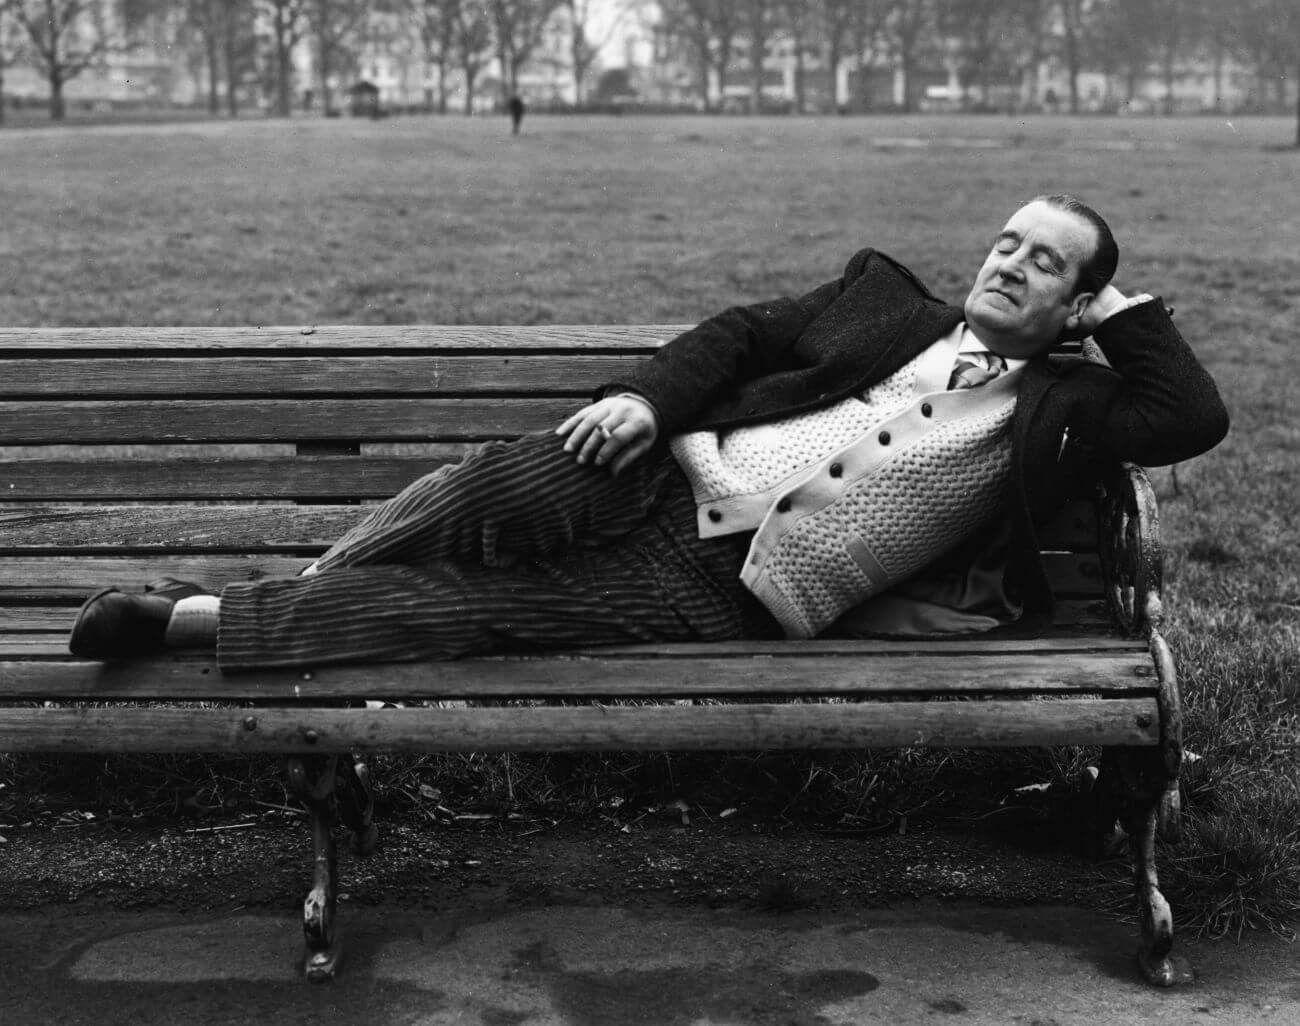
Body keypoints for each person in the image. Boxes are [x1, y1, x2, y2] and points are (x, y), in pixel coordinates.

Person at [69, 195, 1228, 669]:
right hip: (660, 470)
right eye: (1007, 242)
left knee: (479, 617)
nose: (1010, 264)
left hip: (729, 585)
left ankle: (194, 621)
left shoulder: (1069, 407)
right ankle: (311, 582)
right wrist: (647, 401)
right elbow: (734, 335)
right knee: (486, 492)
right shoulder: (886, 300)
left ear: (1075, 303)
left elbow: (1192, 415)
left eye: (1045, 264)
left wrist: (1124, 318)